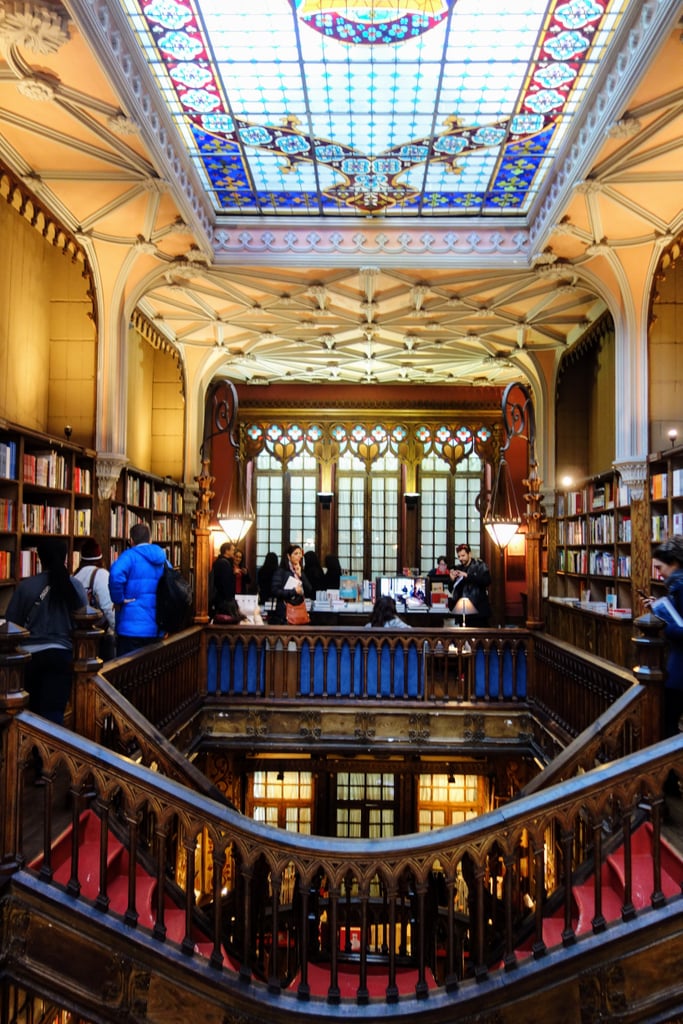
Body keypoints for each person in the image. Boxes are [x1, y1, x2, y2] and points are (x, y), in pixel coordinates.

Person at [6, 538, 88, 780]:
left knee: (31, 711)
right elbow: (84, 619)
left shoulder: (26, 586)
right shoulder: (74, 586)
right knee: (53, 711)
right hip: (61, 655)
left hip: (29, 657)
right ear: (65, 557)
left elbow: (12, 622)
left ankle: (28, 759)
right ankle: (48, 767)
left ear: (39, 558)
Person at [644, 536, 683, 740]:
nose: (659, 575)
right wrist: (660, 608)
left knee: (667, 723)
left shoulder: (680, 586)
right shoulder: (676, 586)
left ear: (674, 563)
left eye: (660, 568)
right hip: (677, 666)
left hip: (680, 670)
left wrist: (665, 623)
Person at [109, 522, 167, 656]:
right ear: (150, 539)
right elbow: (173, 583)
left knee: (128, 672)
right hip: (156, 627)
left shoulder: (128, 556)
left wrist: (119, 599)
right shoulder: (162, 558)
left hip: (130, 628)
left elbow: (116, 575)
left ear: (131, 541)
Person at [73, 537, 116, 660]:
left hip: (78, 636)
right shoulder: (101, 575)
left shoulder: (75, 576)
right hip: (100, 638)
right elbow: (109, 608)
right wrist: (118, 631)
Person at [449, 543, 491, 626]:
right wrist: (452, 580)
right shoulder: (458, 569)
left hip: (478, 610)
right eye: (459, 556)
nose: (461, 558)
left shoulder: (480, 566)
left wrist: (467, 576)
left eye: (463, 555)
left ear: (469, 554)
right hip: (462, 610)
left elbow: (487, 581)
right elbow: (452, 590)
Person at [269, 544, 313, 624]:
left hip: (299, 608)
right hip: (284, 612)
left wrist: (301, 575)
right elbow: (275, 591)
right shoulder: (281, 571)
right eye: (295, 553)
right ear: (289, 556)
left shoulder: (300, 571)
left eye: (300, 554)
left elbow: (309, 590)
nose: (299, 556)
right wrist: (294, 591)